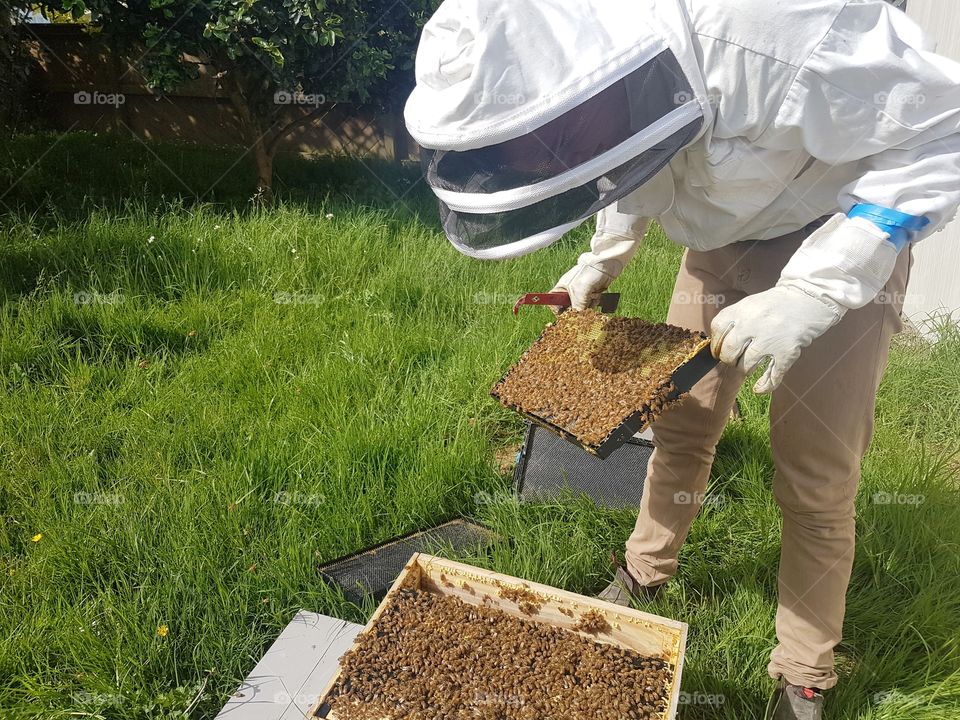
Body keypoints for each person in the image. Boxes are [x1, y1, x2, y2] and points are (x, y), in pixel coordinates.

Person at [403, 1, 960, 717]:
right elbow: (625, 161)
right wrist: (596, 266)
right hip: (718, 244)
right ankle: (644, 573)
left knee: (816, 474)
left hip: (833, 236)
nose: (559, 171)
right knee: (681, 425)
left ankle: (804, 672)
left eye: (550, 152)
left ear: (581, 100)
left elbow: (946, 126)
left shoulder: (778, 32)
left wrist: (813, 293)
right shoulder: (601, 68)